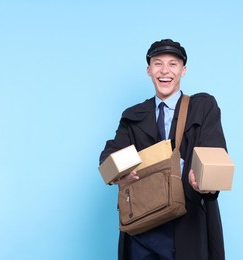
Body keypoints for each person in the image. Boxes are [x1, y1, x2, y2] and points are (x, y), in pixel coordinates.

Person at [99, 39, 227, 260]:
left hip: (188, 222)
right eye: (158, 64)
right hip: (144, 227)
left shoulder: (202, 107)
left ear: (183, 71)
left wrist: (208, 183)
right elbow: (111, 155)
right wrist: (117, 173)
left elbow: (213, 152)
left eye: (173, 64)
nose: (165, 71)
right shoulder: (133, 116)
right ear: (149, 70)